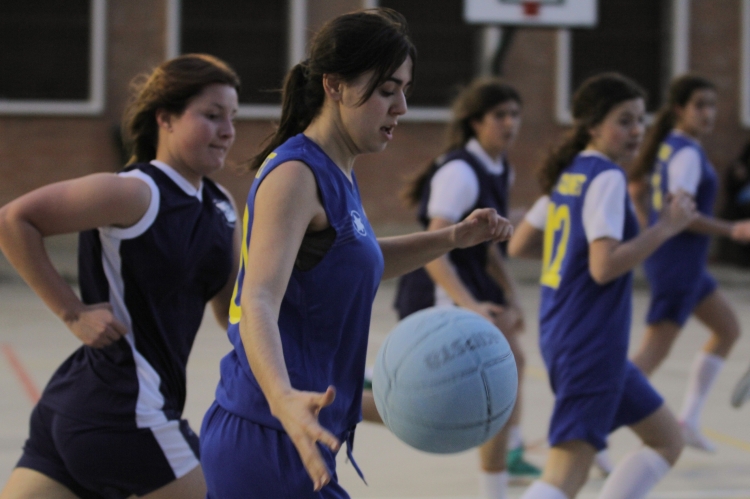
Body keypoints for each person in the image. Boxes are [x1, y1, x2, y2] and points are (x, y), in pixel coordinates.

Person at [197, 8, 514, 499]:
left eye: (404, 90)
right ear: (335, 86)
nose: (401, 106)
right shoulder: (296, 175)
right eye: (386, 90)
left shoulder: (337, 169)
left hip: (294, 435)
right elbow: (257, 299)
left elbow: (359, 261)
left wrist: (452, 238)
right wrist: (281, 398)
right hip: (270, 435)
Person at [0, 54, 241, 499]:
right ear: (165, 118)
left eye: (233, 117)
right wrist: (72, 312)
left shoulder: (221, 206)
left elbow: (233, 314)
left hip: (84, 408)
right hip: (127, 413)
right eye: (212, 116)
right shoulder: (135, 192)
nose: (227, 130)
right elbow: (14, 221)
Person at [508, 73, 695, 499]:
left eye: (641, 120)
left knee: (667, 439)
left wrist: (570, 255)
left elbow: (520, 244)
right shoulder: (607, 177)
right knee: (564, 476)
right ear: (593, 125)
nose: (637, 130)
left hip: (571, 336)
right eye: (624, 121)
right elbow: (604, 267)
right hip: (590, 342)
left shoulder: (571, 173)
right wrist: (665, 228)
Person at [389, 76, 539, 496]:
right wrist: (469, 304)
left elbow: (487, 247)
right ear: (476, 122)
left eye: (515, 114)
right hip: (437, 292)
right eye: (500, 115)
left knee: (509, 368)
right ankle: (349, 400)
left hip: (471, 288)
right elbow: (435, 246)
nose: (510, 123)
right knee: (448, 397)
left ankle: (508, 456)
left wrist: (511, 294)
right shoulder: (459, 171)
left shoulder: (500, 167)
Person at [627, 75, 750, 451]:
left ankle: (690, 420)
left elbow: (638, 188)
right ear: (680, 109)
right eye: (700, 105)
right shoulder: (686, 155)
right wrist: (732, 230)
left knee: (727, 329)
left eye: (712, 105)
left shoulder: (670, 145)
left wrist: (647, 224)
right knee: (651, 356)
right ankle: (594, 432)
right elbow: (681, 215)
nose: (708, 113)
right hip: (678, 265)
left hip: (686, 264)